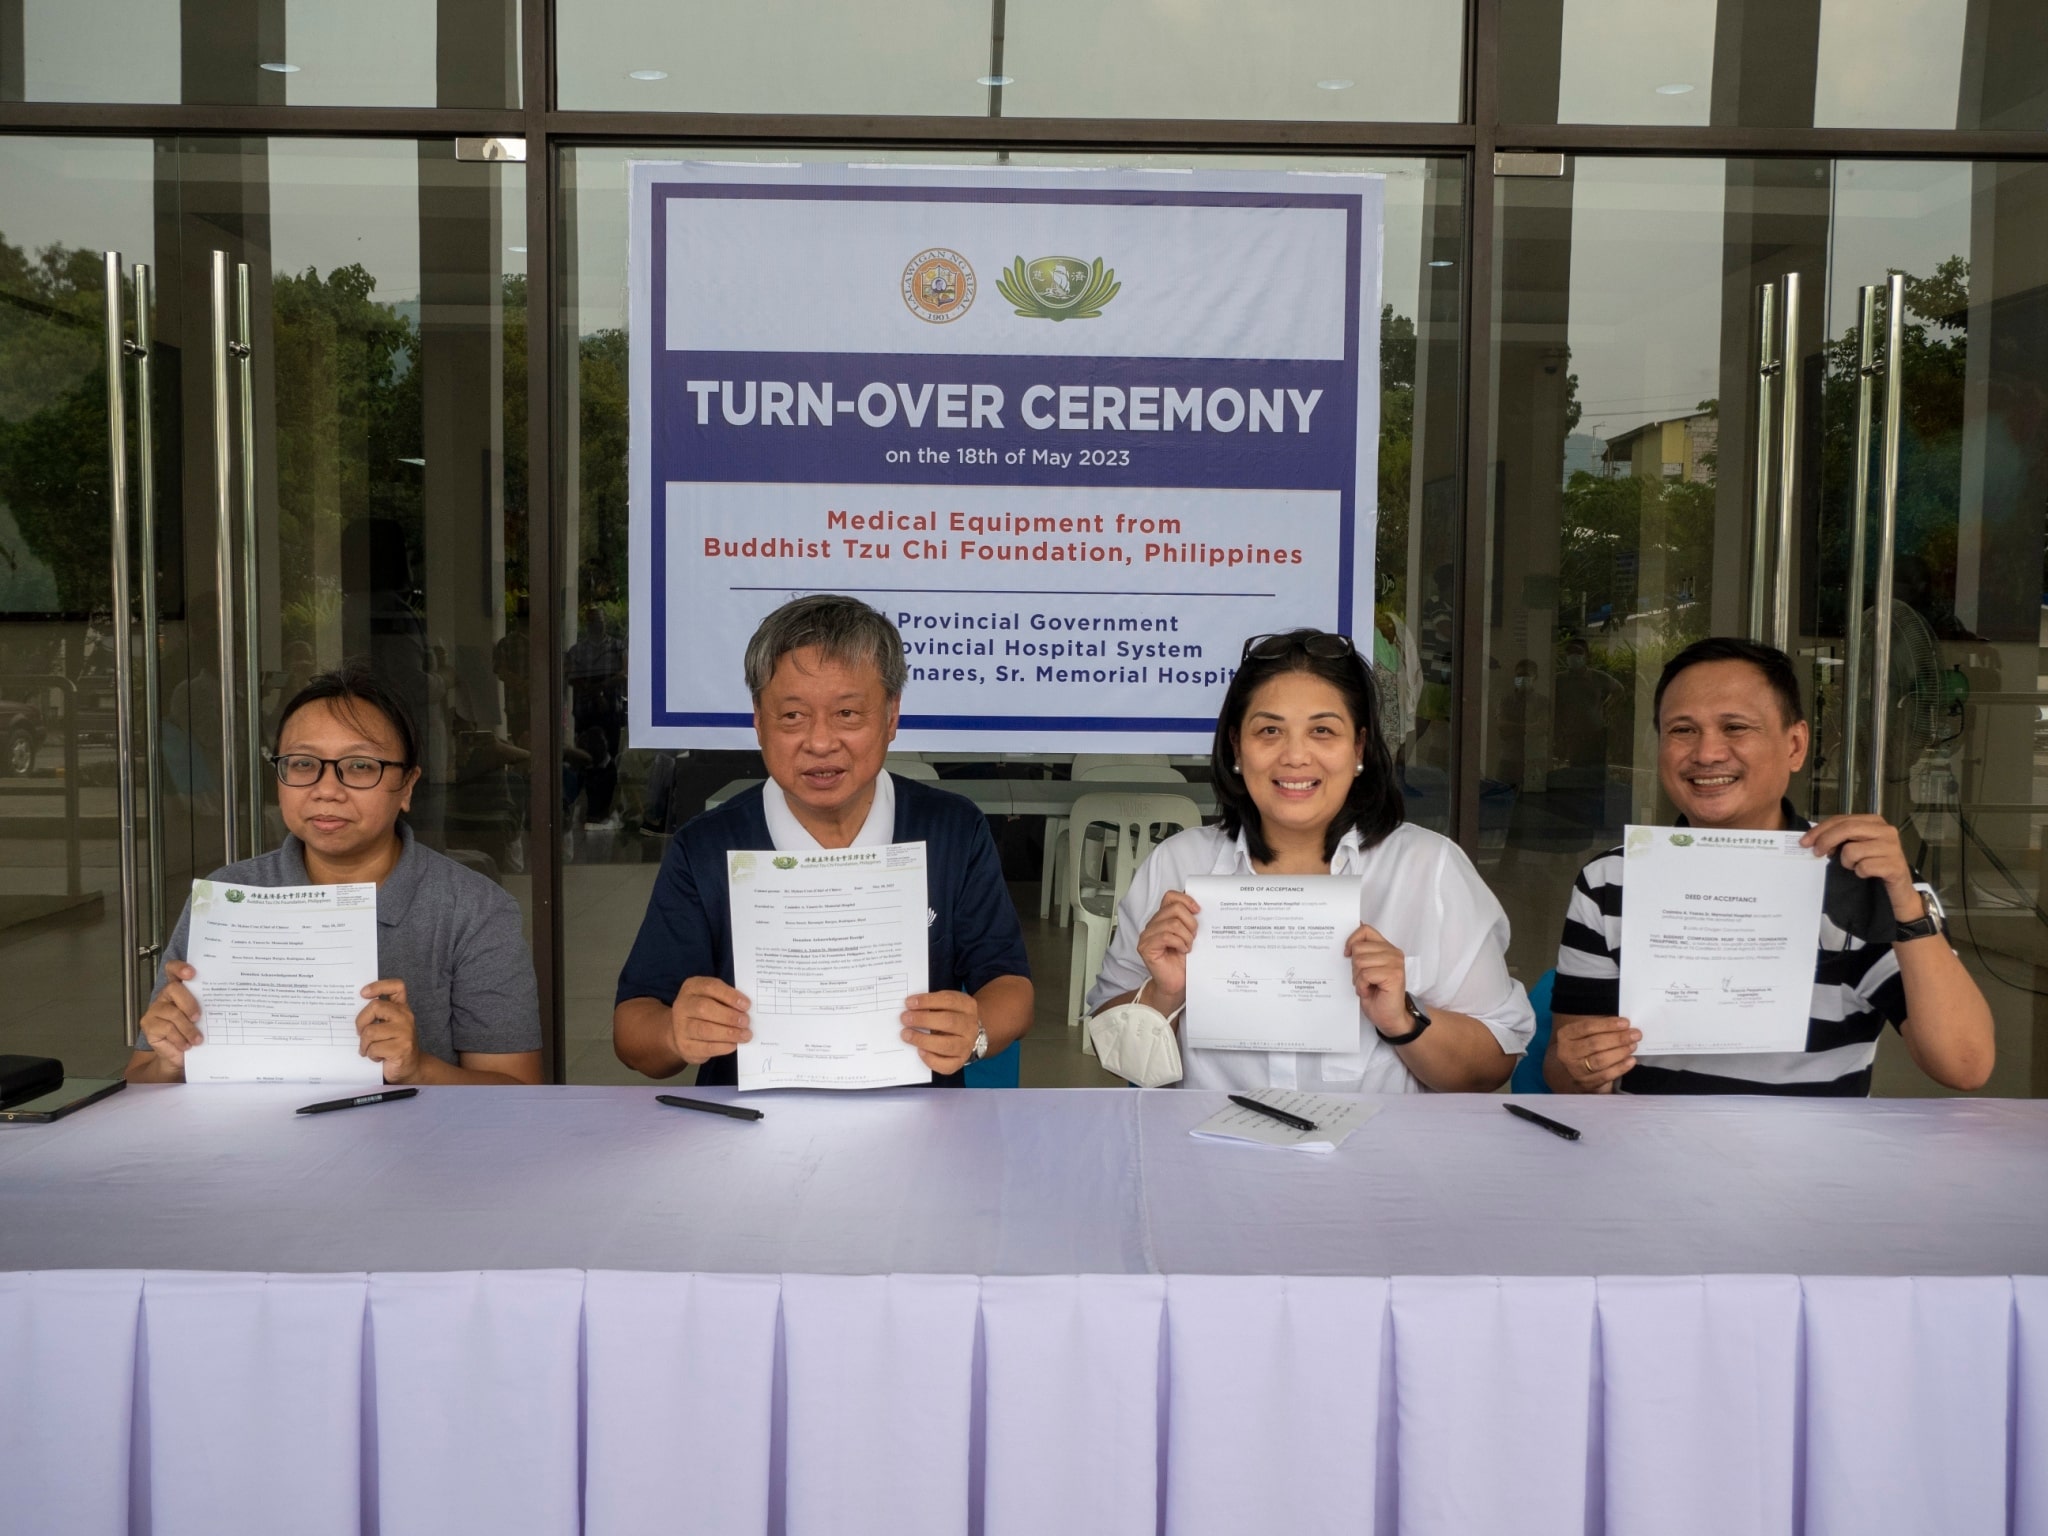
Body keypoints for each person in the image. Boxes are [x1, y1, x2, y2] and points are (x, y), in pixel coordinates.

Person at [1087, 629, 1533, 1093]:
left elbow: (1493, 1065)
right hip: (1213, 1155)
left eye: (1323, 730)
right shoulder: (1179, 866)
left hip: (1377, 1160)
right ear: (1237, 747)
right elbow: (1115, 1059)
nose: (1296, 756)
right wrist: (1164, 994)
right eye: (1269, 731)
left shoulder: (1428, 868)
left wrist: (1403, 1017)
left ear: (1358, 748)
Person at [1545, 636, 1994, 1095]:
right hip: (1651, 1155)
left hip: (1810, 1162)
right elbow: (1564, 1073)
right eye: (1682, 730)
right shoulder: (1609, 882)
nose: (1707, 753)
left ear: (1796, 745)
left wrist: (1904, 901)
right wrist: (1584, 1067)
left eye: (1736, 727)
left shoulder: (1861, 876)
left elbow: (1964, 1064)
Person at [613, 595, 1032, 1084]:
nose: (819, 741)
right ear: (758, 719)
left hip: (918, 1124)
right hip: (750, 1127)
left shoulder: (952, 829)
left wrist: (976, 1031)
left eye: (848, 714)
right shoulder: (706, 846)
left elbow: (1011, 985)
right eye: (792, 716)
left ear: (892, 716)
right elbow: (632, 1029)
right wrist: (672, 1034)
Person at [128, 665, 543, 1085]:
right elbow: (139, 1083)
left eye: (360, 766)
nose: (327, 789)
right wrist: (168, 1061)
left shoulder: (473, 910)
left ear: (408, 786)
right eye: (303, 763)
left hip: (415, 1147)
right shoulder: (227, 898)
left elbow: (519, 1090)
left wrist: (419, 1068)